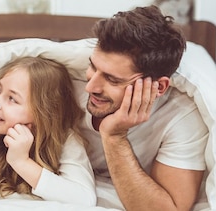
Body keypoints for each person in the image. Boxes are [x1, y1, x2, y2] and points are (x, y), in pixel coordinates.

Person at [76, 5, 208, 210]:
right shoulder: (64, 79)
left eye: (112, 79)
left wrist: (114, 137)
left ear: (159, 87)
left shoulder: (183, 116)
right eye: (92, 66)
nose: (90, 86)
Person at [0, 57, 96, 206]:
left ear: (42, 113)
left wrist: (21, 162)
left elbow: (84, 199)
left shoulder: (65, 138)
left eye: (12, 99)